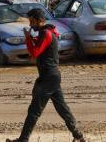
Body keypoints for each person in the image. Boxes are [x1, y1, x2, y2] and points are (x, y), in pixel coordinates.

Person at [6, 9, 85, 142]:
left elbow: (35, 53)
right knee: (62, 109)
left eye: (32, 21)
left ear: (40, 21)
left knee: (34, 111)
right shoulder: (43, 33)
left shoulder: (46, 34)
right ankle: (79, 137)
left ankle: (23, 140)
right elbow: (33, 52)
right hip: (51, 77)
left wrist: (28, 38)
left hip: (49, 77)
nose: (31, 25)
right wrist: (29, 38)